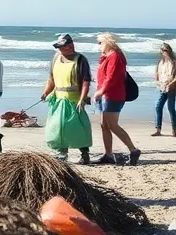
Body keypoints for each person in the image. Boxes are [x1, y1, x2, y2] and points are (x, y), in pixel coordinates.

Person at [40, 34, 93, 164]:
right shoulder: (56, 58)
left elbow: (86, 81)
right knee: (57, 127)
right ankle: (62, 154)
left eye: (62, 47)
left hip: (74, 100)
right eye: (59, 47)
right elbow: (52, 78)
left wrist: (82, 99)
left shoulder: (80, 60)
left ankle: (84, 153)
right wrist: (46, 92)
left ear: (70, 46)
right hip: (58, 99)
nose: (60, 49)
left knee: (77, 127)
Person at [93, 33, 141, 165]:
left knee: (112, 125)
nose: (99, 46)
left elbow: (112, 78)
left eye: (100, 43)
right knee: (104, 125)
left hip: (112, 95)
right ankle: (108, 154)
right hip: (105, 95)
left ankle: (133, 150)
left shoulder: (115, 56)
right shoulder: (108, 57)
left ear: (107, 42)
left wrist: (101, 91)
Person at [153, 43, 176, 137]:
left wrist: (171, 84)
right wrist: (157, 81)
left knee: (171, 108)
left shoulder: (174, 62)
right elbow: (156, 74)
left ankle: (174, 130)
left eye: (165, 50)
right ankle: (158, 129)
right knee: (158, 107)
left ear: (169, 51)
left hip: (171, 88)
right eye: (162, 50)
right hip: (162, 87)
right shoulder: (160, 62)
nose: (164, 52)